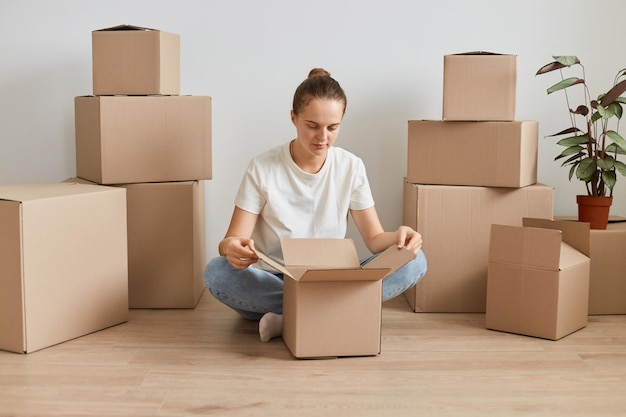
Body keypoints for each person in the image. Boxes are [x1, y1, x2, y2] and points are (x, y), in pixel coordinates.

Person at [204, 68, 427, 342]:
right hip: (278, 277)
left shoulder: (351, 166)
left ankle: (290, 319)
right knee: (217, 272)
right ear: (293, 118)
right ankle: (330, 312)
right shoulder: (262, 167)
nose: (323, 137)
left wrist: (401, 236)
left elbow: (375, 239)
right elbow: (230, 241)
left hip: (331, 278)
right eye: (312, 126)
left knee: (416, 261)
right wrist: (232, 249)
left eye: (333, 127)